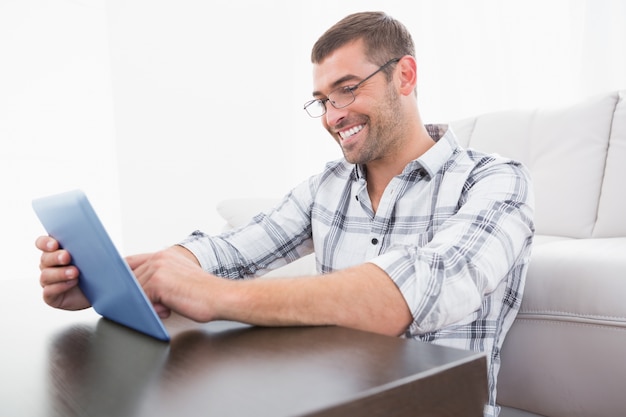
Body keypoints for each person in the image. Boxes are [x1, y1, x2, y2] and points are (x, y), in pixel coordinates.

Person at [36, 11, 534, 417]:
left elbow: (415, 290)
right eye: (322, 101)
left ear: (405, 75)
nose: (334, 115)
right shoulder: (327, 186)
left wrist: (215, 297)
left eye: (347, 89)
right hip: (331, 405)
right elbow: (231, 249)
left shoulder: (494, 181)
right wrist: (110, 279)